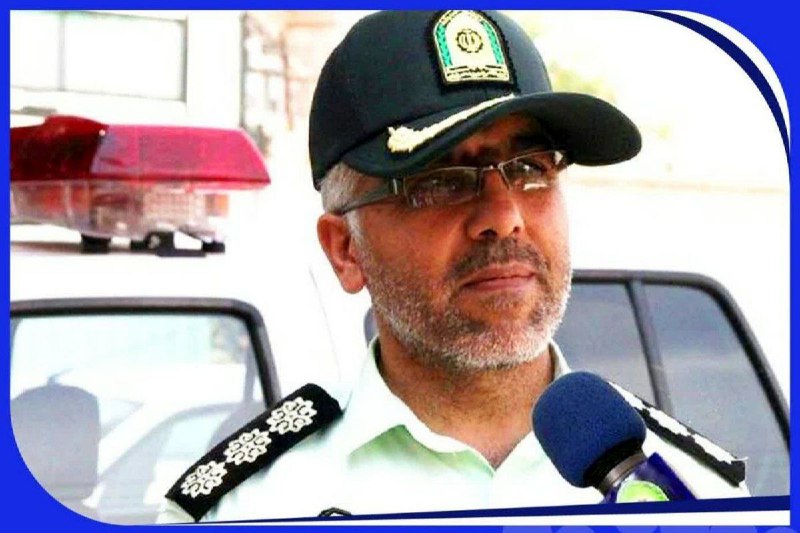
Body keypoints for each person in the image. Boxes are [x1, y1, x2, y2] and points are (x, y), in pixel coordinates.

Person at [159, 10, 747, 522]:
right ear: (345, 250)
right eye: (439, 182)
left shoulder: (698, 494)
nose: (504, 217)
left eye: (531, 169)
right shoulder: (247, 508)